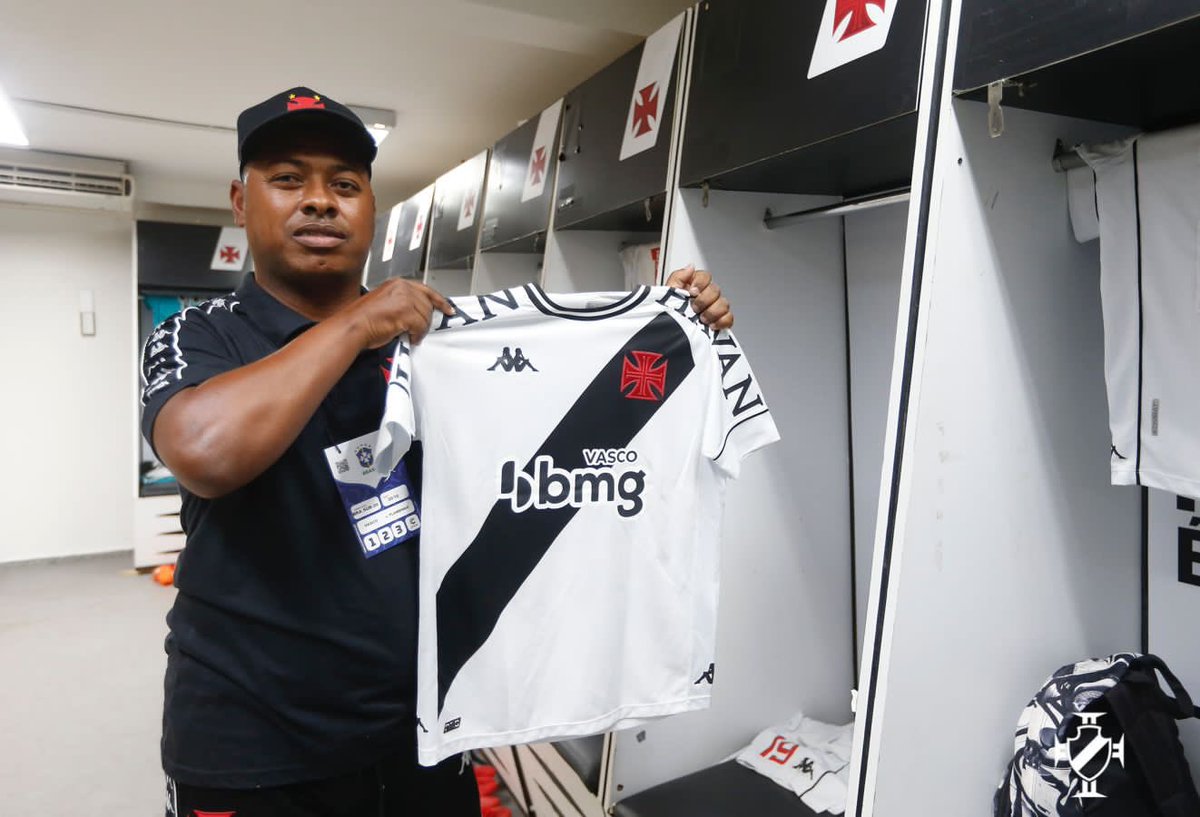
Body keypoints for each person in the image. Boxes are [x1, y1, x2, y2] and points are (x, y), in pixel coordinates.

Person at [141, 87, 734, 817]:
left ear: (370, 208)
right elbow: (205, 451)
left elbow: (559, 453)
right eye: (288, 179)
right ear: (241, 201)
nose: (320, 201)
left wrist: (668, 331)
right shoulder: (200, 334)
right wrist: (357, 325)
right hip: (254, 746)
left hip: (426, 727)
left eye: (345, 185)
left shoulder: (436, 344)